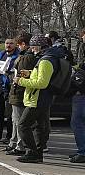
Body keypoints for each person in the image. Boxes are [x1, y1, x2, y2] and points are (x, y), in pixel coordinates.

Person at [14, 34, 56, 163]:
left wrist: (21, 81)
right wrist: (30, 73)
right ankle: (38, 153)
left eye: (33, 47)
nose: (32, 50)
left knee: (22, 125)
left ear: (39, 46)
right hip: (42, 98)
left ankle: (32, 152)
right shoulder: (46, 58)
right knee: (39, 126)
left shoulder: (45, 61)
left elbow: (42, 83)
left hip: (38, 98)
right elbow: (42, 77)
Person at [4, 33, 36, 155]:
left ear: (23, 44)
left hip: (19, 92)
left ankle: (20, 146)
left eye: (18, 44)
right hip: (17, 91)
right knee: (14, 119)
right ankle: (13, 142)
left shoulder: (26, 57)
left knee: (19, 121)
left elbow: (21, 75)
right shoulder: (23, 56)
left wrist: (10, 74)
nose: (18, 47)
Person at [0, 38, 20, 140]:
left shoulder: (17, 57)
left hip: (8, 87)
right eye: (7, 43)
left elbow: (15, 71)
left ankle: (9, 136)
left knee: (9, 114)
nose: (8, 45)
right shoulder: (1, 54)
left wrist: (8, 72)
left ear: (15, 45)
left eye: (11, 43)